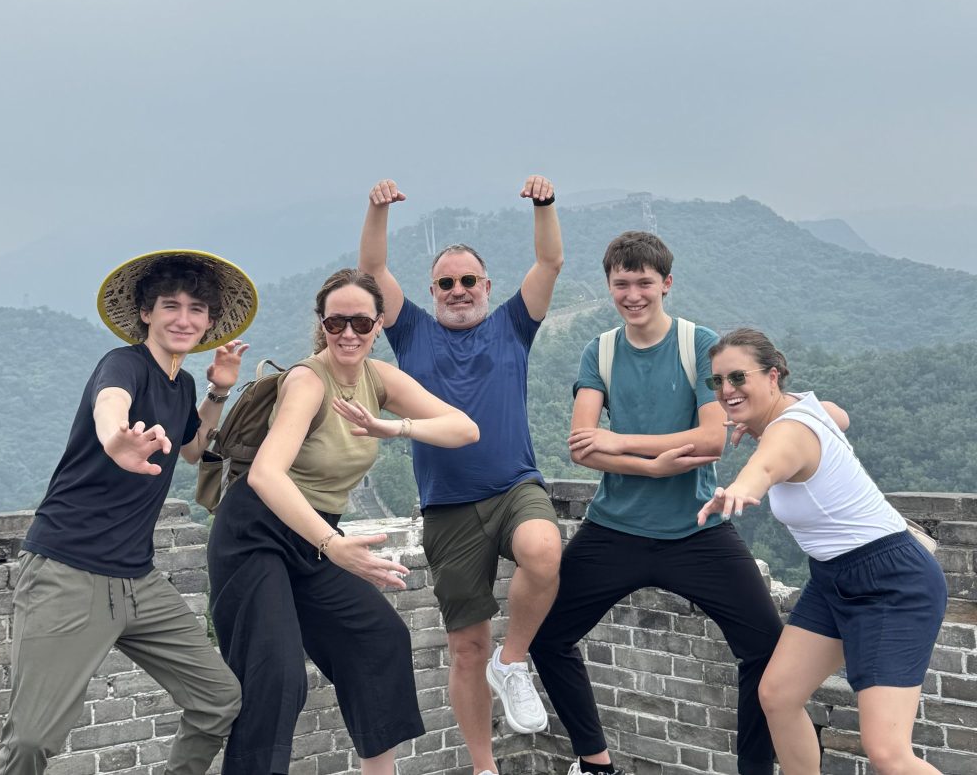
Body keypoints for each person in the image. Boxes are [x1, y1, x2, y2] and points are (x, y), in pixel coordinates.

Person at [531, 231, 851, 775]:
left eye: (644, 283)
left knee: (765, 649)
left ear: (666, 284)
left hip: (696, 530)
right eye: (621, 284)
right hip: (614, 528)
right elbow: (583, 447)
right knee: (546, 637)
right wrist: (650, 464)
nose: (633, 294)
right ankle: (595, 762)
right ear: (609, 285)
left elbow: (712, 440)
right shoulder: (601, 350)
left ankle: (755, 766)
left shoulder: (697, 345)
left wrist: (622, 441)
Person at [0, 249, 259, 775]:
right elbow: (109, 402)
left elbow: (190, 448)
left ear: (209, 321)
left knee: (218, 699)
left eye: (196, 309)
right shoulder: (123, 364)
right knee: (29, 741)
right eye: (171, 306)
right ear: (146, 314)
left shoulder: (181, 384)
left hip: (138, 580)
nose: (184, 319)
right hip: (68, 569)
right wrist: (117, 441)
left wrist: (220, 389)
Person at [207, 267, 479, 775]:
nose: (348, 334)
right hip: (256, 534)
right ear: (322, 325)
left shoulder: (379, 379)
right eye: (336, 324)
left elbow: (464, 429)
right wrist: (334, 546)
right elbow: (266, 474)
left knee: (378, 640)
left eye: (360, 322)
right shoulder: (309, 381)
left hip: (311, 535)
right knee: (277, 676)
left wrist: (388, 426)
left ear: (378, 325)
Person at [358, 175, 563, 774]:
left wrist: (544, 205)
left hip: (514, 487)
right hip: (447, 506)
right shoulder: (412, 332)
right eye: (446, 283)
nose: (457, 290)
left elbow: (549, 260)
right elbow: (371, 267)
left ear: (486, 286)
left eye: (468, 280)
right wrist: (377, 210)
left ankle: (515, 659)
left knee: (544, 549)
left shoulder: (512, 326)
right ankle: (484, 766)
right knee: (466, 647)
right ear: (432, 291)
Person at [697, 329, 948, 775]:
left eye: (738, 377)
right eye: (718, 382)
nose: (727, 390)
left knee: (887, 751)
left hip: (892, 582)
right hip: (834, 577)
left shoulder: (789, 431)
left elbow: (770, 464)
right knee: (777, 695)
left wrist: (739, 489)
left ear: (772, 376)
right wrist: (757, 422)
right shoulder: (801, 407)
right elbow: (840, 415)